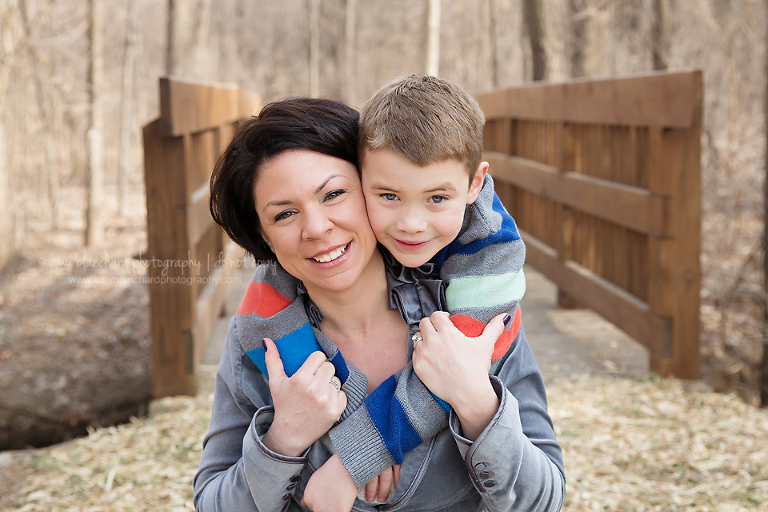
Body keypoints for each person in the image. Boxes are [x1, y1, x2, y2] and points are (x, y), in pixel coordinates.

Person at [193, 96, 565, 512]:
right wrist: (284, 440)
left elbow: (544, 500)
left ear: (374, 186)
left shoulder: (475, 313)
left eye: (333, 194)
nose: (316, 228)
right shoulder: (260, 341)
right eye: (284, 215)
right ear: (263, 236)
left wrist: (477, 403)